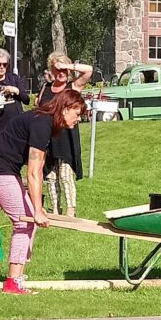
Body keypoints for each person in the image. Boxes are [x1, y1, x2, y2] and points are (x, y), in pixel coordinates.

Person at [0, 87, 85, 295]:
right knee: (25, 222)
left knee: (29, 222)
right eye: (77, 113)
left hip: (6, 170)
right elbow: (33, 172)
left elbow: (39, 166)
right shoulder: (42, 123)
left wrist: (38, 207)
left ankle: (18, 276)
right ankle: (12, 283)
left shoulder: (47, 122)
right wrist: (36, 210)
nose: (79, 119)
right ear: (65, 109)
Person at [35, 52, 93, 216]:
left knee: (65, 174)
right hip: (48, 137)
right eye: (57, 69)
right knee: (50, 176)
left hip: (66, 138)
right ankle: (55, 208)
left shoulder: (73, 87)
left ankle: (70, 210)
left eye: (63, 70)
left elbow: (88, 70)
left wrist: (67, 65)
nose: (61, 73)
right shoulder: (46, 87)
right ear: (51, 70)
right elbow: (39, 106)